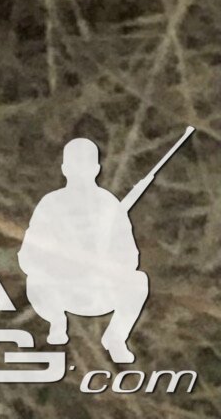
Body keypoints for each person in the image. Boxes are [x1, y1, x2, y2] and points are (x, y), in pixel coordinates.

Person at [21, 139, 154, 362]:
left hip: (101, 290)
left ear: (96, 169)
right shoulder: (50, 204)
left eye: (86, 165)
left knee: (138, 281)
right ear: (64, 169)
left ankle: (116, 337)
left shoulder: (109, 205)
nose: (80, 172)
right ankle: (56, 322)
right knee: (35, 281)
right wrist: (59, 262)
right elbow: (28, 256)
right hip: (61, 289)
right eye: (74, 166)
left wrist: (107, 264)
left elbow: (129, 254)